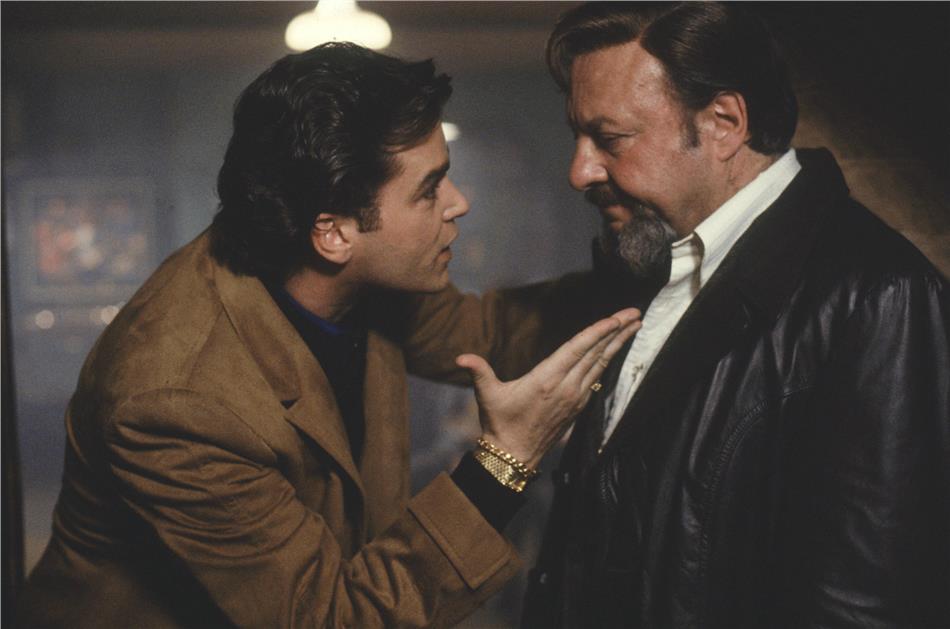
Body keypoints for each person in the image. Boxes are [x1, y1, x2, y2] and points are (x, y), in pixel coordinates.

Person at [16, 43, 641, 628]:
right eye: (429, 190)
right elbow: (332, 617)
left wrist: (657, 265)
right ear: (334, 233)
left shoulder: (359, 277)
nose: (458, 203)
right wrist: (506, 459)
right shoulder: (175, 401)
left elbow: (490, 332)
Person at [521, 3, 950, 628]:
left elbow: (869, 605)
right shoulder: (646, 260)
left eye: (610, 139)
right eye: (577, 137)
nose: (579, 171)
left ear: (724, 124)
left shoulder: (880, 295)